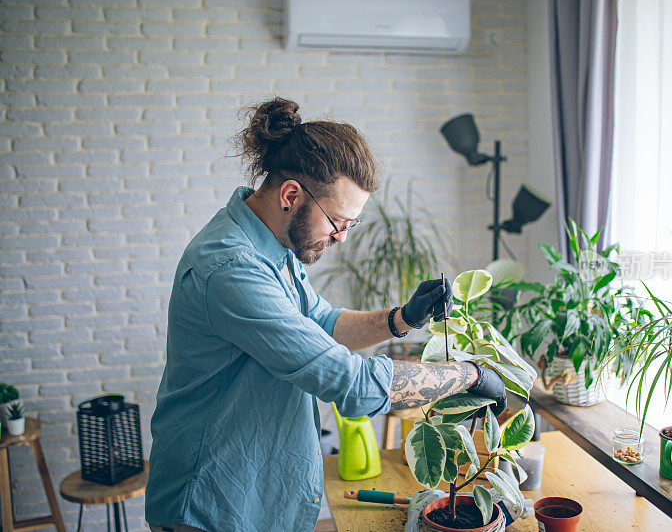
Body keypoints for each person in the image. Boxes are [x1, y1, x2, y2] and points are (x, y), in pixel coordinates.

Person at [144, 97, 507, 532]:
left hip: (261, 490)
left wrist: (402, 318)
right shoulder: (231, 268)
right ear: (291, 195)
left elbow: (322, 325)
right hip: (213, 502)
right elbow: (349, 383)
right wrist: (465, 376)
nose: (341, 238)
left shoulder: (276, 244)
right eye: (338, 222)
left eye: (350, 226)